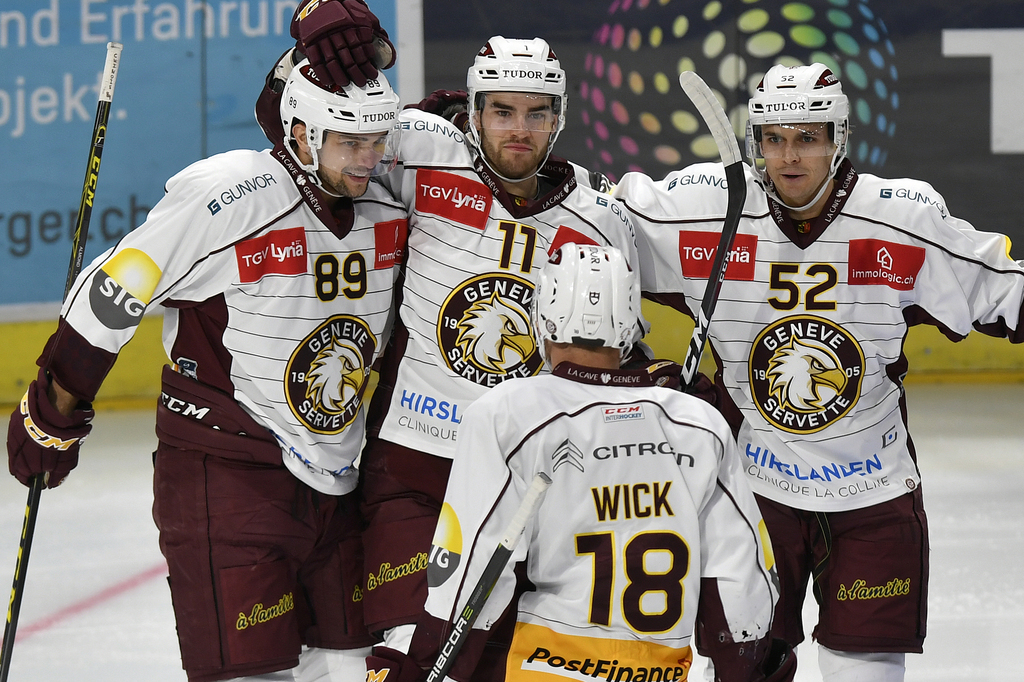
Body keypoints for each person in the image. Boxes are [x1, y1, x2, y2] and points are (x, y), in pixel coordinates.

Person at [612, 62, 1024, 681]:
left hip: (873, 497)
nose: (789, 157)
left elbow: (1001, 290)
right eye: (773, 139)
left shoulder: (900, 219)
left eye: (807, 137)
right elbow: (584, 217)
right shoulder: (706, 208)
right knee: (745, 669)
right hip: (751, 499)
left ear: (839, 139)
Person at [6, 61, 407, 682]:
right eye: (350, 141)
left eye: (378, 140)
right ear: (300, 132)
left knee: (353, 671)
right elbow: (119, 285)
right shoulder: (234, 196)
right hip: (228, 476)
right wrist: (54, 406)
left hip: (336, 483)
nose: (368, 157)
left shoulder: (384, 199)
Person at [354, 35, 645, 682]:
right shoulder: (423, 158)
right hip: (414, 464)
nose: (519, 129)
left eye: (536, 112)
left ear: (559, 117)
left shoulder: (599, 219)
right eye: (502, 111)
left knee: (494, 664)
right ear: (474, 111)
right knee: (406, 646)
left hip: (529, 483)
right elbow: (322, 143)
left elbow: (621, 348)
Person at [409, 243, 796, 682]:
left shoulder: (510, 414)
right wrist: (749, 670)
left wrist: (422, 663)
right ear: (630, 320)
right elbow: (740, 585)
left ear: (544, 317)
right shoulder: (698, 424)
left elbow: (472, 567)